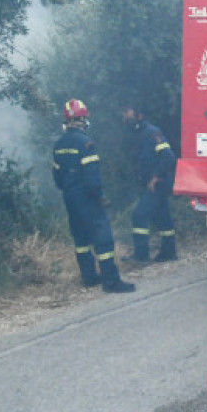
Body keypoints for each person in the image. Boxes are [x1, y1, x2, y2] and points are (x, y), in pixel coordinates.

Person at [52, 99, 135, 294]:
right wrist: (99, 197)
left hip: (70, 198)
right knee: (103, 239)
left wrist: (69, 189)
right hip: (87, 198)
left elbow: (57, 178)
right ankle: (111, 281)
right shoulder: (85, 143)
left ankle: (89, 277)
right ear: (82, 119)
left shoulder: (59, 144)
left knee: (80, 239)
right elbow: (92, 179)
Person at [122, 106, 178, 262]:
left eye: (128, 114)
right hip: (149, 183)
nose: (125, 118)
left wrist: (155, 176)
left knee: (139, 215)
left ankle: (141, 255)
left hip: (158, 183)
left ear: (140, 115)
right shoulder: (136, 135)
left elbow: (168, 157)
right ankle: (169, 252)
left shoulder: (152, 133)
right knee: (162, 217)